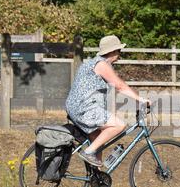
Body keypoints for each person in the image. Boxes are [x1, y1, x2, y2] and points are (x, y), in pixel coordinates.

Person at [65, 35, 151, 167]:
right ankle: (87, 152)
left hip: (79, 107)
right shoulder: (101, 64)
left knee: (98, 139)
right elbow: (120, 86)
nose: (120, 55)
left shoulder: (94, 62)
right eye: (119, 51)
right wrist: (141, 99)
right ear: (112, 51)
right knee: (119, 125)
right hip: (83, 109)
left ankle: (97, 181)